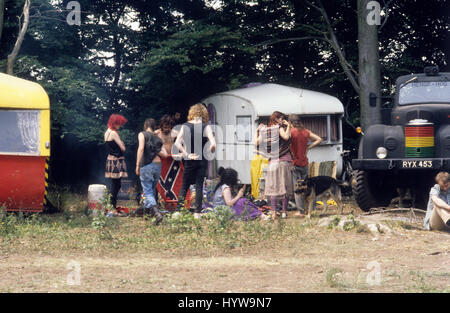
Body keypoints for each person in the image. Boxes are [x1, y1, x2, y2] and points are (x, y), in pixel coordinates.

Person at [174, 103, 216, 218]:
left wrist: (186, 153)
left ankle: (178, 211)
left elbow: (177, 142)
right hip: (201, 159)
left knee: (184, 185)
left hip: (189, 159)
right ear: (204, 113)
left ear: (192, 113)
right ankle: (197, 213)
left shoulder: (185, 125)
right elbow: (213, 144)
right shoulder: (205, 127)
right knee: (199, 186)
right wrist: (210, 149)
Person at [257, 111, 293, 220]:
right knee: (284, 187)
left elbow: (256, 143)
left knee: (273, 188)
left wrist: (258, 131)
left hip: (272, 163)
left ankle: (273, 213)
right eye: (281, 118)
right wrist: (289, 126)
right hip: (283, 161)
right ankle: (284, 212)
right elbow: (286, 137)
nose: (282, 120)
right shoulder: (279, 127)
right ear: (277, 119)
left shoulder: (265, 130)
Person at [289, 114, 323, 216]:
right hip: (304, 162)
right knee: (307, 186)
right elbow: (319, 139)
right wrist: (309, 148)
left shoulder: (291, 132)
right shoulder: (306, 131)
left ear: (291, 123)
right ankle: (311, 208)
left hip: (294, 163)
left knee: (298, 188)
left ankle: (301, 211)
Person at [135, 118, 168, 225]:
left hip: (147, 165)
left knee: (148, 191)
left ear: (145, 125)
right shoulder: (157, 138)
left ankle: (157, 213)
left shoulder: (142, 134)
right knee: (152, 190)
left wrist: (137, 165)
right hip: (158, 165)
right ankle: (147, 213)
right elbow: (165, 155)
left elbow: (140, 149)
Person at [104, 114, 128, 213]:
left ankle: (111, 204)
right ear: (115, 123)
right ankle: (112, 205)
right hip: (116, 160)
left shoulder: (107, 132)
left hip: (110, 159)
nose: (120, 126)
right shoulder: (114, 133)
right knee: (116, 185)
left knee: (114, 183)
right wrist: (122, 143)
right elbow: (123, 149)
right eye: (119, 124)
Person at [250, 119, 269, 199]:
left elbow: (255, 143)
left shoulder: (263, 135)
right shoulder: (262, 135)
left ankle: (259, 197)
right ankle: (257, 196)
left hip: (261, 160)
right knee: (255, 179)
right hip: (258, 159)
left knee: (259, 179)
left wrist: (258, 131)